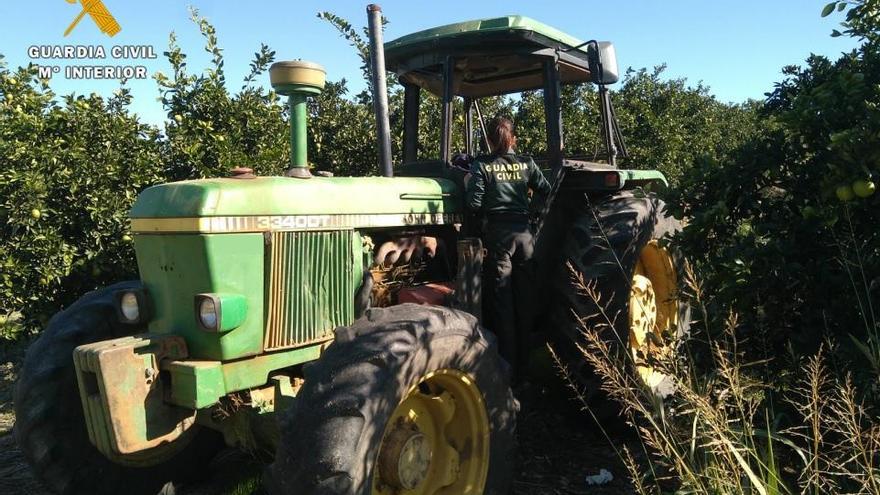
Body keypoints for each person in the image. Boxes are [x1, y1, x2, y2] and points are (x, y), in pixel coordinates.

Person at [465, 116, 551, 380]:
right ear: (513, 139)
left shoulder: (482, 165)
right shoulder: (526, 163)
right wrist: (532, 213)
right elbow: (545, 189)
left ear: (489, 140)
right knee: (525, 301)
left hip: (499, 237)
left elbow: (475, 203)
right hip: (524, 235)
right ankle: (526, 368)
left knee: (502, 303)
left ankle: (507, 371)